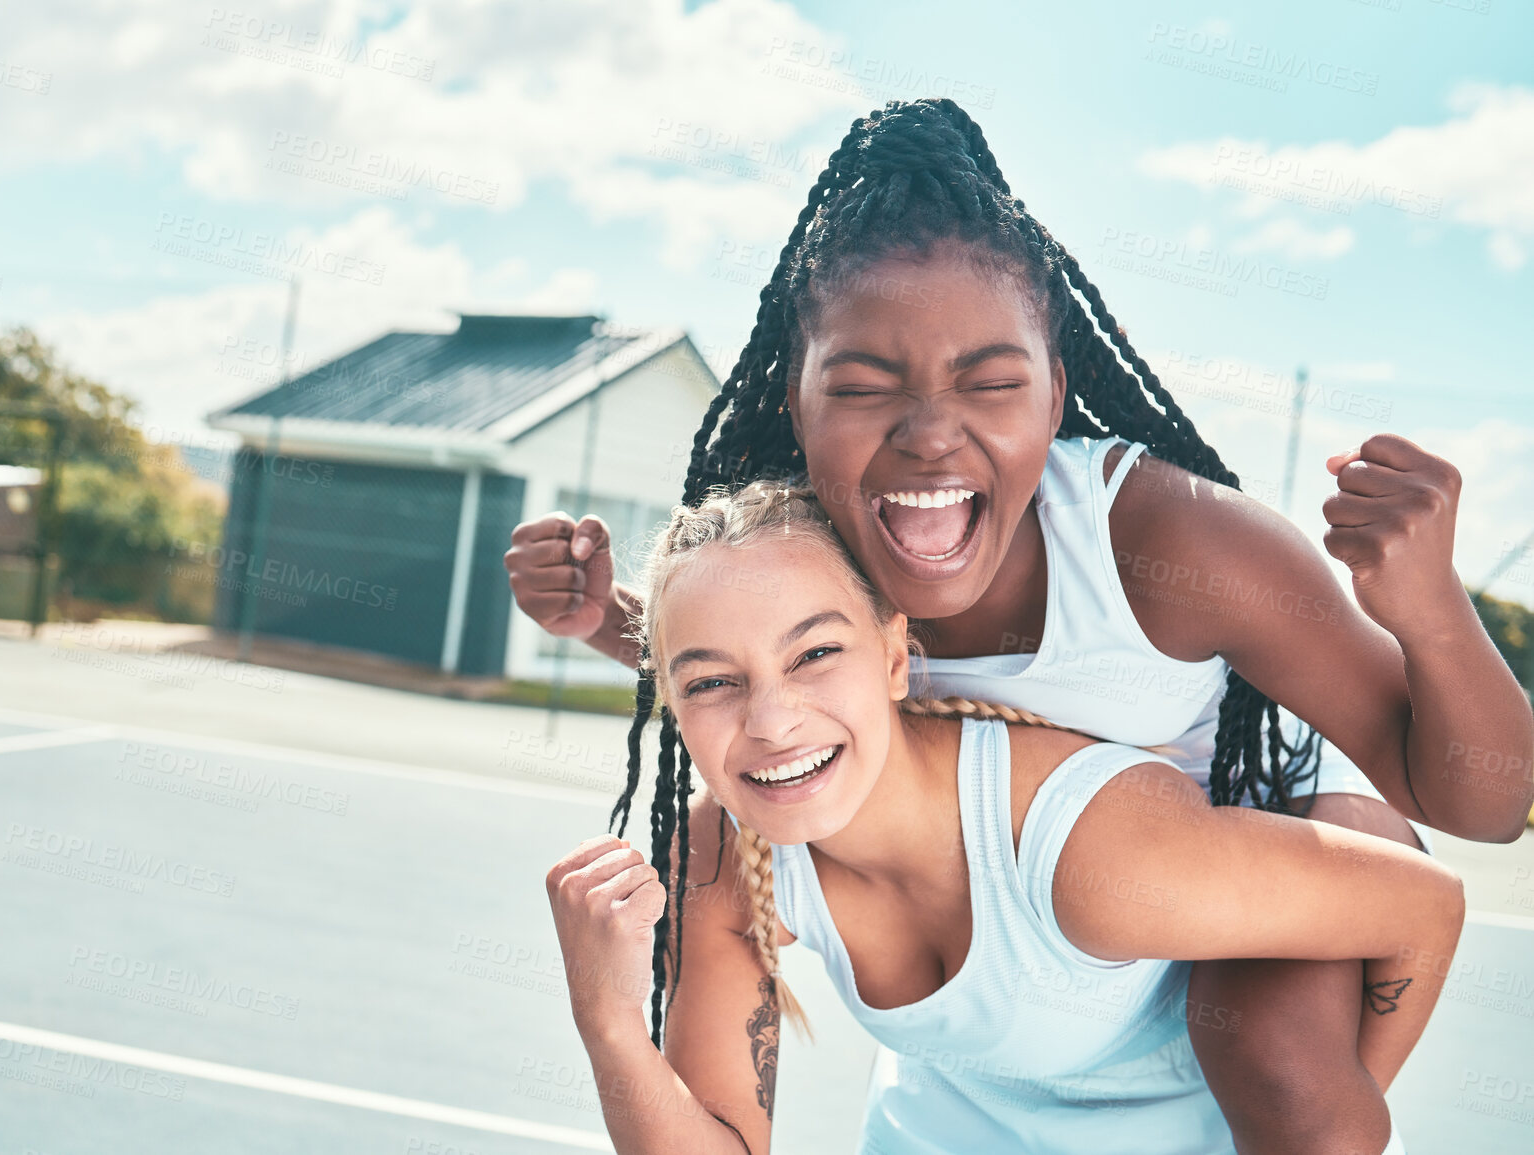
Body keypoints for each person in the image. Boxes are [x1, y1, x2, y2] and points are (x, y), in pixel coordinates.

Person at [510, 99, 1533, 1152]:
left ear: (1057, 395)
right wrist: (615, 623)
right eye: (862, 387)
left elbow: (1485, 803)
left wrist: (1430, 613)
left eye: (992, 381)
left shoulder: (1166, 543)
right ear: (798, 399)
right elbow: (777, 668)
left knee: (1271, 1056)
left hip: (1258, 798)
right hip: (1027, 897)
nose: (930, 435)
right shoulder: (821, 537)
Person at [545, 481, 1463, 1155]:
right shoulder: (715, 853)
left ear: (897, 659)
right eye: (710, 681)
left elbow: (1424, 907)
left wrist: (1339, 1104)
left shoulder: (1086, 845)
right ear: (668, 699)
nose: (770, 721)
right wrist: (609, 1015)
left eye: (815, 653)